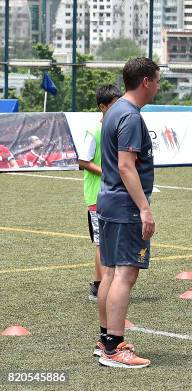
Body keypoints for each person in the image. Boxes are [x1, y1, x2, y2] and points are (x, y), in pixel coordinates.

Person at [95, 58, 159, 368]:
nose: (158, 87)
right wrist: (144, 208)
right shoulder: (130, 116)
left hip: (108, 200)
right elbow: (125, 165)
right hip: (124, 205)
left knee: (109, 272)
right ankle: (114, 348)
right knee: (125, 273)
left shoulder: (113, 111)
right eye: (157, 81)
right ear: (145, 81)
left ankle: (106, 339)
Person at [79, 85, 122, 301]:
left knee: (112, 241)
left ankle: (110, 283)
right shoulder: (94, 131)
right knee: (101, 243)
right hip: (97, 196)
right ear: (102, 107)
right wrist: (107, 172)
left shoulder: (118, 129)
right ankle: (98, 285)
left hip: (115, 195)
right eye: (114, 104)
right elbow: (83, 162)